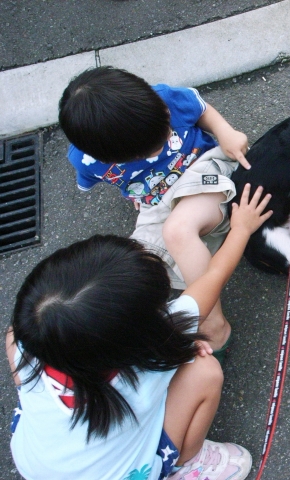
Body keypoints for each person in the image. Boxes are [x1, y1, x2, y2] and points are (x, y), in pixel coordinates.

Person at [6, 184, 272, 480]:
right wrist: (241, 228)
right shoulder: (149, 371)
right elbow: (213, 276)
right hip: (126, 473)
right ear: (137, 341)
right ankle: (187, 463)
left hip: (37, 464)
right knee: (204, 371)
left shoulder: (27, 337)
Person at [58, 66, 252, 360]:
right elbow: (101, 181)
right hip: (157, 202)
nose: (162, 142)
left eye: (165, 130)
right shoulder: (86, 160)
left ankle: (214, 325)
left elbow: (202, 109)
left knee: (177, 231)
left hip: (205, 168)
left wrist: (226, 132)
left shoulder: (165, 98)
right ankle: (139, 343)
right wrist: (139, 193)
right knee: (134, 264)